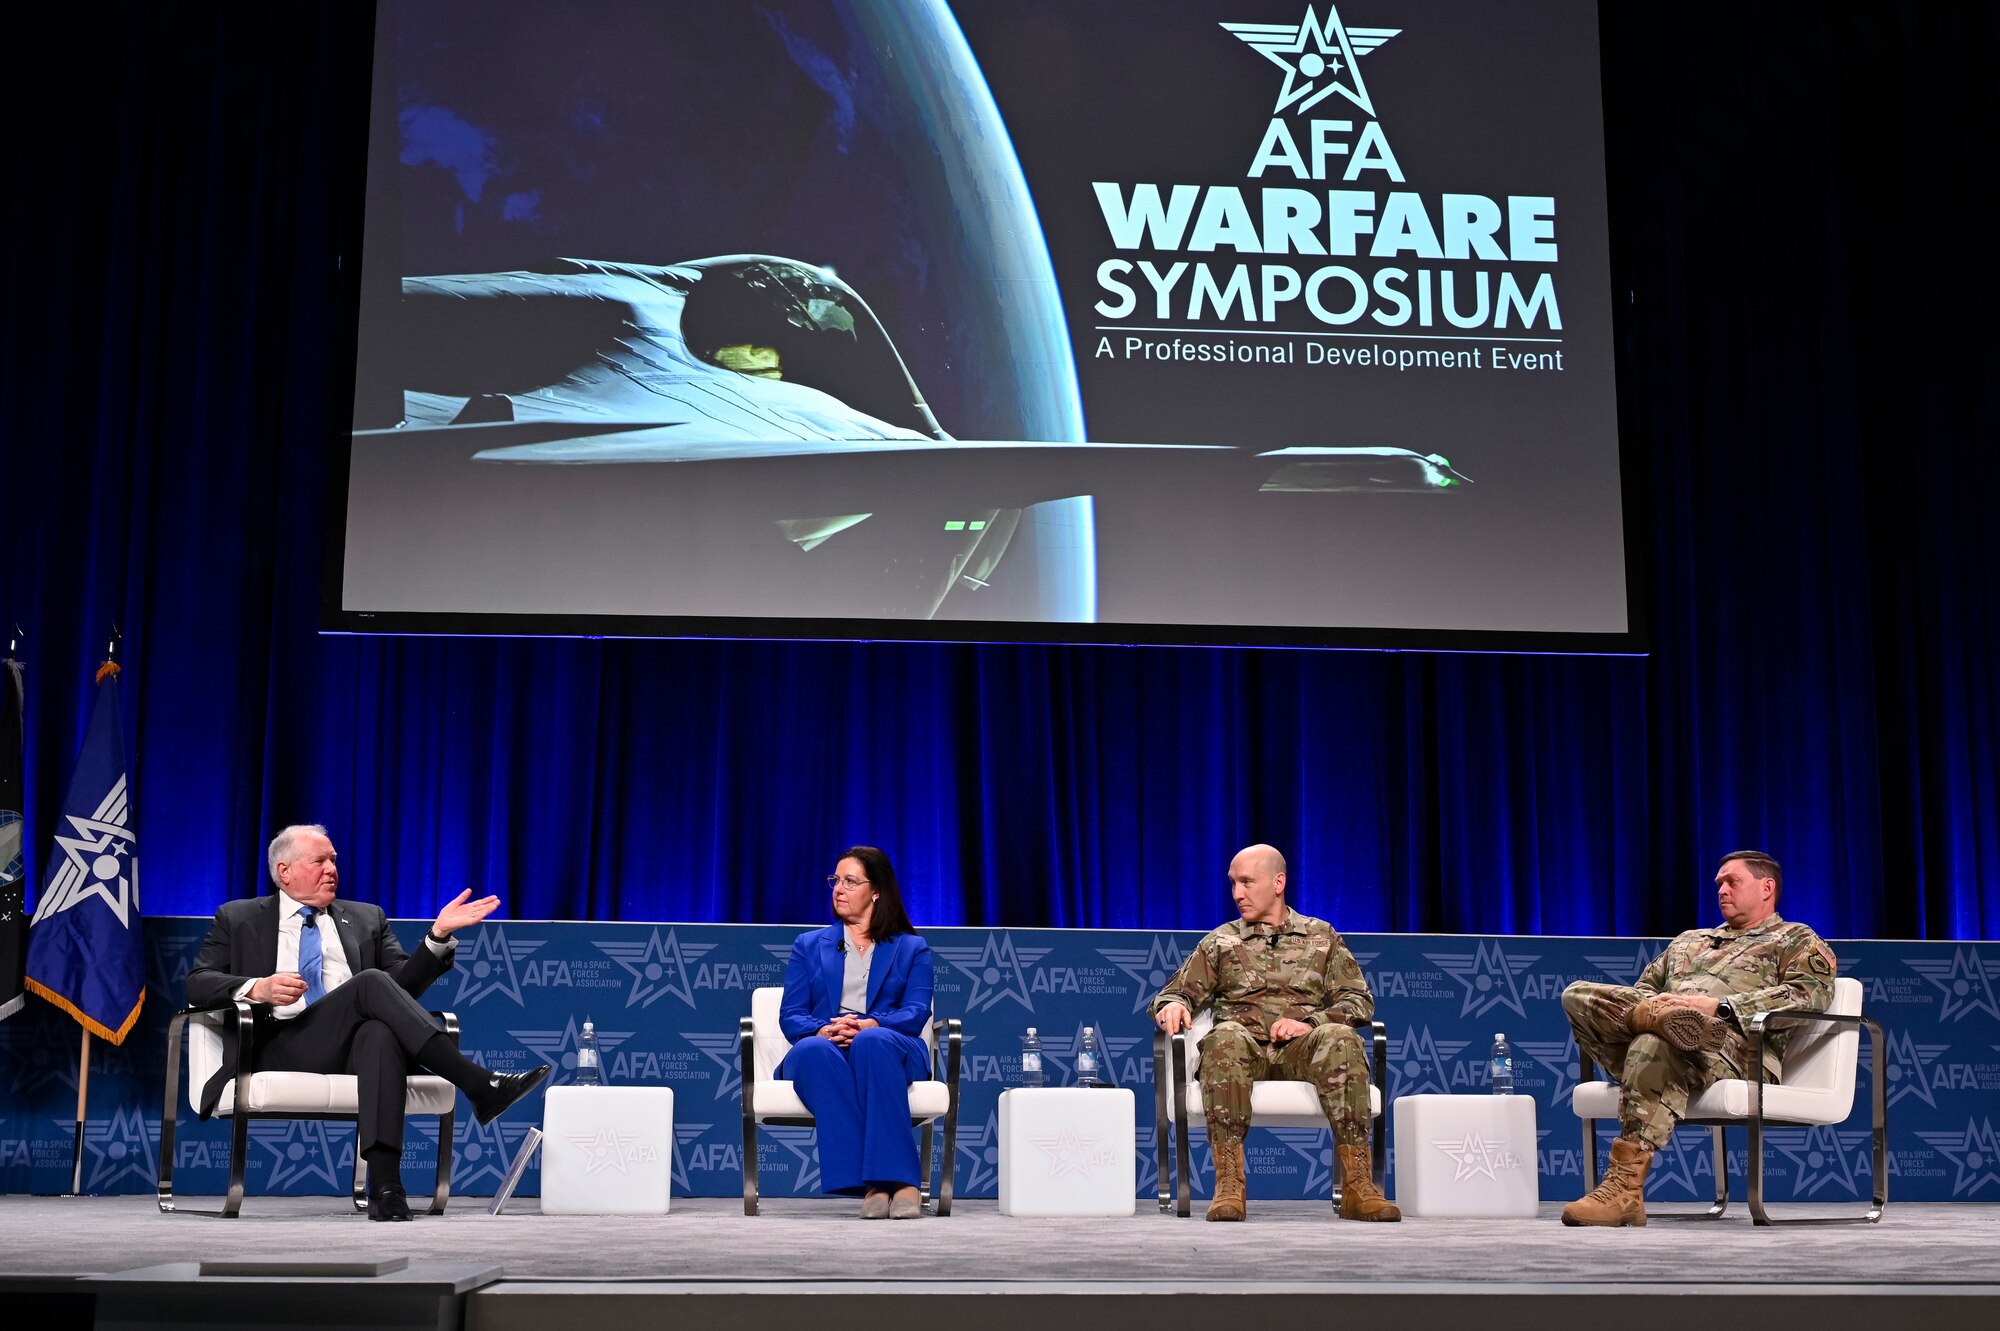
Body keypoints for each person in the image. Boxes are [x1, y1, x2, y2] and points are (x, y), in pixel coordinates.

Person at [186, 824, 551, 1221]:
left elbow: (402, 988)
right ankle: (479, 1084)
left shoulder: (366, 918)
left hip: (348, 1047)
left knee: (378, 1030)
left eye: (334, 861)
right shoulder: (238, 917)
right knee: (370, 984)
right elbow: (198, 982)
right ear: (284, 870)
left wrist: (438, 935)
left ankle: (386, 1188)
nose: (331, 869)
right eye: (319, 860)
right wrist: (259, 987)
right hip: (279, 1043)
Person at [1559, 849, 1836, 1226]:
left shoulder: (1793, 939)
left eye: (1732, 881)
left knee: (1653, 1044)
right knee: (1576, 994)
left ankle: (1623, 1190)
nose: (1721, 889)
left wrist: (1719, 1007)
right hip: (1659, 1039)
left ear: (1767, 887)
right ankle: (1665, 1020)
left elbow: (1811, 995)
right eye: (1719, 883)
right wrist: (1656, 1009)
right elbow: (1640, 991)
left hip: (1737, 1052)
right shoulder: (1689, 941)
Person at [1150, 844, 1398, 1222]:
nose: (1237, 893)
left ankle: (1358, 1187)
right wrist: (1174, 1004)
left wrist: (1312, 1023)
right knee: (1224, 1038)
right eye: (1233, 883)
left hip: (1302, 1051)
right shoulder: (1221, 941)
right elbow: (1175, 991)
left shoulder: (1321, 936)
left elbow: (1358, 1001)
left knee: (1343, 1040)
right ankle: (1229, 1185)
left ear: (1278, 882)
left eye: (1247, 882)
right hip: (1241, 1051)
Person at [777, 845, 936, 1219]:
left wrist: (871, 1023)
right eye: (836, 880)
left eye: (850, 881)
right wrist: (825, 1029)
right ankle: (877, 1183)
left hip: (889, 1045)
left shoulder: (912, 948)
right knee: (813, 1052)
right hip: (825, 1047)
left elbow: (915, 1013)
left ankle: (897, 1184)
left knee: (871, 1042)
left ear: (876, 890)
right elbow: (791, 1015)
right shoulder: (808, 946)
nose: (838, 889)